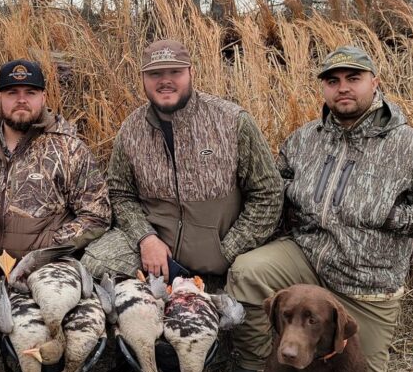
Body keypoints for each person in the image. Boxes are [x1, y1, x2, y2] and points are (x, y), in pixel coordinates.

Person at [215, 45, 413, 372]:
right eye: (333, 81)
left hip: (367, 281)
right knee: (248, 270)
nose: (343, 87)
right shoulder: (305, 138)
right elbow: (275, 186)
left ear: (374, 82)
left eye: (353, 78)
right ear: (324, 89)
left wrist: (394, 216)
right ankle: (254, 365)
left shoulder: (410, 147)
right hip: (308, 258)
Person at [81, 39, 283, 286]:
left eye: (175, 72)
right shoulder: (131, 128)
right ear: (143, 78)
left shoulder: (232, 121)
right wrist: (145, 238)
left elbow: (269, 193)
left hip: (218, 250)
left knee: (239, 291)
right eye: (155, 74)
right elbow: (120, 193)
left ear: (191, 73)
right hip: (157, 245)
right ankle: (157, 289)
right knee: (94, 263)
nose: (165, 81)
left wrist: (227, 251)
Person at [0, 59, 111, 262]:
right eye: (12, 93)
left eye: (30, 93)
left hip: (44, 272)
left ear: (43, 97)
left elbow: (98, 215)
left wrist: (49, 247)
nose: (21, 99)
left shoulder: (68, 149)